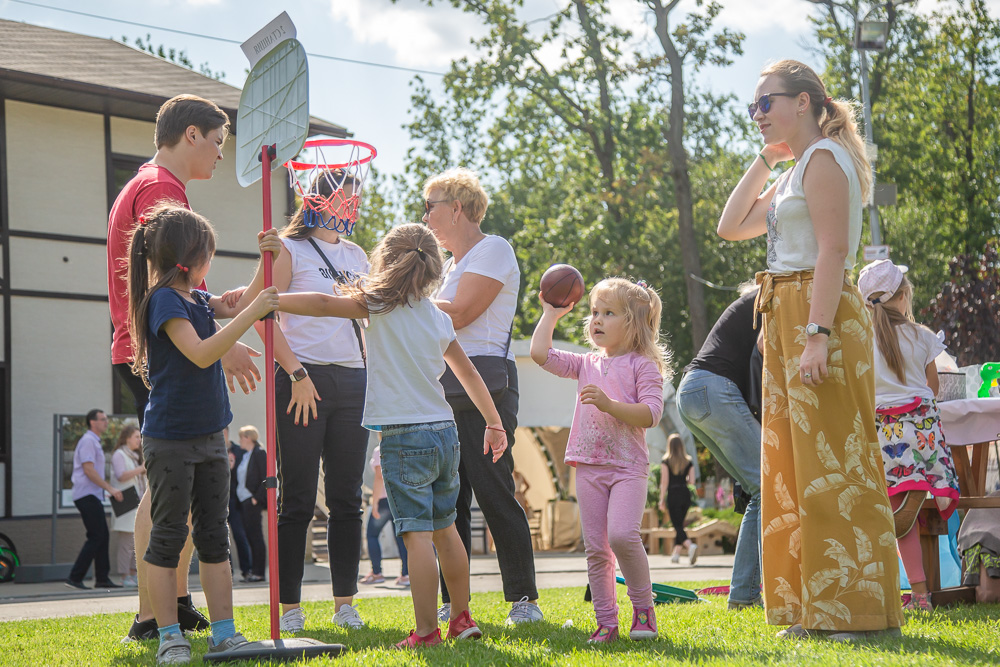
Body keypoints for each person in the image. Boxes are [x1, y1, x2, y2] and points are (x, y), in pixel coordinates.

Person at [717, 59, 904, 641]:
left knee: (836, 463)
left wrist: (817, 334)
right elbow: (731, 226)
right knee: (796, 465)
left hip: (815, 313)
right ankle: (810, 607)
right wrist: (764, 158)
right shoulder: (797, 166)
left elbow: (833, 250)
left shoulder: (824, 158)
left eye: (766, 102)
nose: (758, 114)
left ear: (804, 102)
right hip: (785, 313)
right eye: (753, 106)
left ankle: (856, 609)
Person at [270, 222, 508, 648]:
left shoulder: (377, 304)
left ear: (385, 261)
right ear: (432, 266)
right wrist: (493, 423)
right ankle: (461, 617)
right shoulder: (437, 314)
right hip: (445, 433)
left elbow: (324, 304)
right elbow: (468, 373)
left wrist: (271, 300)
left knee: (415, 534)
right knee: (446, 528)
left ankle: (426, 632)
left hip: (404, 437)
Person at [107, 93, 259, 641]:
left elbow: (177, 284)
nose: (221, 155)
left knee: (173, 492)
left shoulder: (148, 183)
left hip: (146, 346)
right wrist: (221, 336)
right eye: (218, 142)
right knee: (167, 495)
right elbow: (164, 286)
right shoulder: (162, 190)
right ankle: (152, 616)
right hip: (157, 356)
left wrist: (216, 304)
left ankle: (171, 603)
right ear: (190, 134)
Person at [126, 203, 279, 664]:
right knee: (169, 537)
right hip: (171, 439)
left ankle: (224, 633)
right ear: (192, 258)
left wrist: (266, 257)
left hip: (212, 435)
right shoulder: (164, 301)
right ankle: (169, 633)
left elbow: (238, 301)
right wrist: (252, 314)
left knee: (215, 535)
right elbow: (200, 353)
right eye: (210, 254)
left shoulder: (195, 297)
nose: (212, 263)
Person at [233, 173, 371, 634]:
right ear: (322, 198)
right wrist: (296, 374)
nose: (353, 205)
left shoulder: (357, 255)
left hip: (354, 381)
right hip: (302, 379)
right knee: (296, 499)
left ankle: (345, 604)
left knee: (347, 499)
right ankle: (290, 608)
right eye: (347, 197)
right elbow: (259, 315)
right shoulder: (287, 248)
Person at [423, 168, 541, 625]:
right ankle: (454, 604)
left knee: (493, 492)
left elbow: (465, 313)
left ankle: (523, 599)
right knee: (448, 501)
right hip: (445, 388)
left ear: (457, 207)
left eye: (430, 205)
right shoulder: (448, 267)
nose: (425, 216)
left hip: (484, 387)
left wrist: (400, 297)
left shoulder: (493, 249)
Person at [530, 277, 669, 644]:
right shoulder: (584, 363)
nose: (597, 320)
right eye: (594, 312)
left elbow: (651, 414)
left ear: (634, 323)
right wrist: (549, 315)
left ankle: (643, 610)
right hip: (588, 465)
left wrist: (609, 404)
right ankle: (606, 622)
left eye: (609, 313)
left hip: (627, 468)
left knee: (622, 536)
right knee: (596, 548)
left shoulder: (643, 365)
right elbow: (540, 355)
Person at [858, 259, 960, 612]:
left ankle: (918, 595)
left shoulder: (861, 340)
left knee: (897, 518)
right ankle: (925, 482)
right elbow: (932, 386)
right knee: (907, 514)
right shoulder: (923, 336)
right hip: (923, 438)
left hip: (888, 440)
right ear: (903, 298)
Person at [676, 285, 763, 608]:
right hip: (713, 388)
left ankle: (744, 595)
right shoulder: (770, 299)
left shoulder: (747, 305)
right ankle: (746, 595)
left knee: (758, 491)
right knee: (768, 487)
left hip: (692, 392)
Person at [66, 409, 124, 590]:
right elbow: (89, 470)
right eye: (103, 419)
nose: (106, 422)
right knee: (97, 535)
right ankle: (75, 578)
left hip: (91, 495)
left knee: (101, 535)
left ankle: (102, 579)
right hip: (86, 495)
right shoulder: (88, 441)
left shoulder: (93, 441)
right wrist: (110, 488)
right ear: (92, 422)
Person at [360, 443, 409, 587]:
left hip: (383, 500)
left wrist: (374, 502)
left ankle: (376, 573)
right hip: (400, 499)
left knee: (372, 535)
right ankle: (406, 574)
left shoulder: (380, 449)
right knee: (400, 537)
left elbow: (379, 478)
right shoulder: (402, 446)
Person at [110, 423, 146, 587]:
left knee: (136, 542)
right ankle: (124, 576)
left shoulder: (134, 455)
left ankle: (133, 574)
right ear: (127, 438)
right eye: (136, 437)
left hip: (136, 505)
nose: (139, 440)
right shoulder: (119, 454)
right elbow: (121, 476)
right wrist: (141, 469)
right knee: (126, 543)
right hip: (125, 505)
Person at [235, 426, 268, 583]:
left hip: (252, 501)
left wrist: (257, 498)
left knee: (256, 537)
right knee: (250, 536)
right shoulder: (246, 455)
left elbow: (266, 477)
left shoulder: (259, 453)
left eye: (241, 437)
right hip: (244, 501)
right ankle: (253, 572)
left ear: (248, 437)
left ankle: (259, 573)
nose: (240, 440)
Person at [658, 434, 698, 566]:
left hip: (673, 494)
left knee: (677, 525)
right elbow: (691, 482)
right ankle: (676, 554)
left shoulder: (666, 462)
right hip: (685, 494)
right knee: (680, 524)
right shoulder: (688, 461)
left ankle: (690, 545)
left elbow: (664, 482)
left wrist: (661, 499)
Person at [224, 426, 253, 582]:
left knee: (240, 535)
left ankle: (246, 570)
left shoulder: (238, 451)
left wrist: (232, 468)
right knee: (222, 538)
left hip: (235, 501)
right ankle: (227, 572)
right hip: (219, 499)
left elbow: (244, 474)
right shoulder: (213, 450)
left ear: (227, 432)